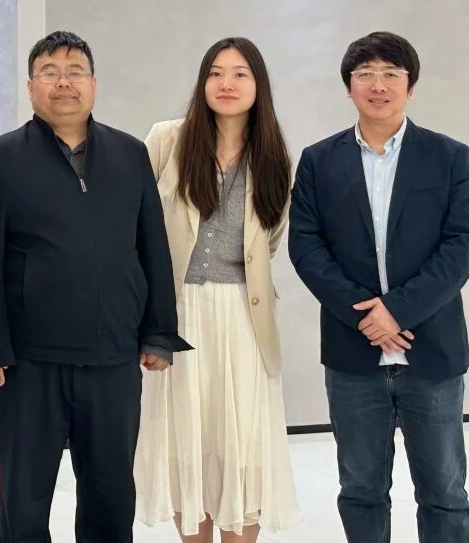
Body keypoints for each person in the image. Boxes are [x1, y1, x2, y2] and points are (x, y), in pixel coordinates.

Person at [0, 30, 189, 543]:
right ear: (31, 85)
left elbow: (152, 247)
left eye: (75, 72)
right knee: (24, 504)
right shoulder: (0, 159)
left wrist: (159, 331)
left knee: (110, 498)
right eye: (49, 73)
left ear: (93, 83)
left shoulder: (130, 154)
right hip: (29, 363)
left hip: (113, 358)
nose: (63, 83)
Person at [290, 31, 469, 542]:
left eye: (391, 74)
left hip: (430, 351)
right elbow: (306, 246)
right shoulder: (319, 160)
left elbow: (461, 245)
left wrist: (398, 312)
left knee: (445, 493)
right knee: (361, 490)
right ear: (349, 86)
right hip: (353, 354)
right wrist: (366, 316)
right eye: (365, 74)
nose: (378, 85)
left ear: (410, 87)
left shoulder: (451, 157)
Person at [134, 37, 300, 541]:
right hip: (178, 310)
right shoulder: (167, 140)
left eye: (240, 73)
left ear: (258, 85)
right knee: (187, 443)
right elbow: (137, 222)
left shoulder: (274, 157)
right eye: (216, 73)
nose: (227, 83)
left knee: (243, 446)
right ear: (203, 82)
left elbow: (270, 241)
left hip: (244, 318)